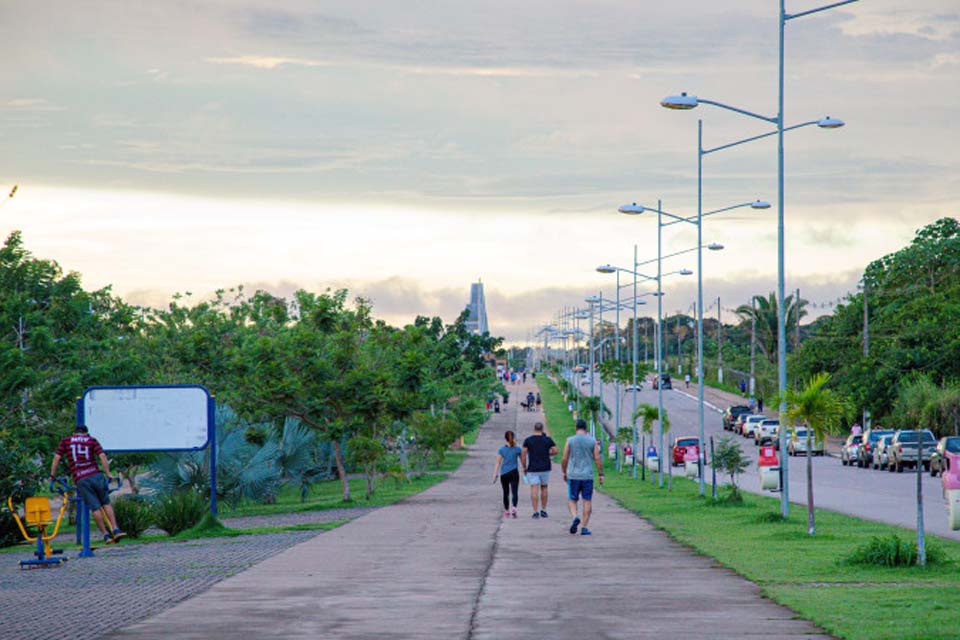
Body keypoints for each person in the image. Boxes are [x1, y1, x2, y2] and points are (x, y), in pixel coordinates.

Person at [49, 424, 125, 543]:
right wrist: (108, 473)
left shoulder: (66, 441)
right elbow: (102, 456)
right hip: (96, 475)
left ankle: (106, 534)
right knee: (106, 503)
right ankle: (115, 529)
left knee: (95, 507)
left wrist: (52, 476)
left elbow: (56, 458)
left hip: (81, 478)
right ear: (86, 433)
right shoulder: (91, 440)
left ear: (74, 433)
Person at [562, 419, 603, 536]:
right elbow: (597, 459)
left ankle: (575, 516)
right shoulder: (592, 441)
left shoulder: (570, 440)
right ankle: (584, 527)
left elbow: (564, 458)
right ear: (586, 429)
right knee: (587, 501)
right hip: (587, 476)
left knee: (572, 499)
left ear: (576, 428)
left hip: (573, 475)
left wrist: (564, 472)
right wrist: (601, 473)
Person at [521, 422, 557, 519]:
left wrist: (524, 467)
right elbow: (555, 450)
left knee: (534, 489)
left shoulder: (528, 440)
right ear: (542, 429)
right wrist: (548, 453)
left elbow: (523, 455)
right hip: (545, 467)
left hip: (533, 468)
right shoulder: (547, 440)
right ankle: (544, 510)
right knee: (544, 488)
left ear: (534, 429)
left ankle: (535, 511)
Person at [493, 430, 523, 518]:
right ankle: (514, 508)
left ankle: (506, 511)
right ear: (513, 437)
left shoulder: (501, 450)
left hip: (504, 474)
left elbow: (498, 462)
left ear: (505, 438)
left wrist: (495, 474)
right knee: (514, 491)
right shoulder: (518, 449)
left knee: (505, 492)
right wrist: (525, 469)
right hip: (514, 472)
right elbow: (522, 461)